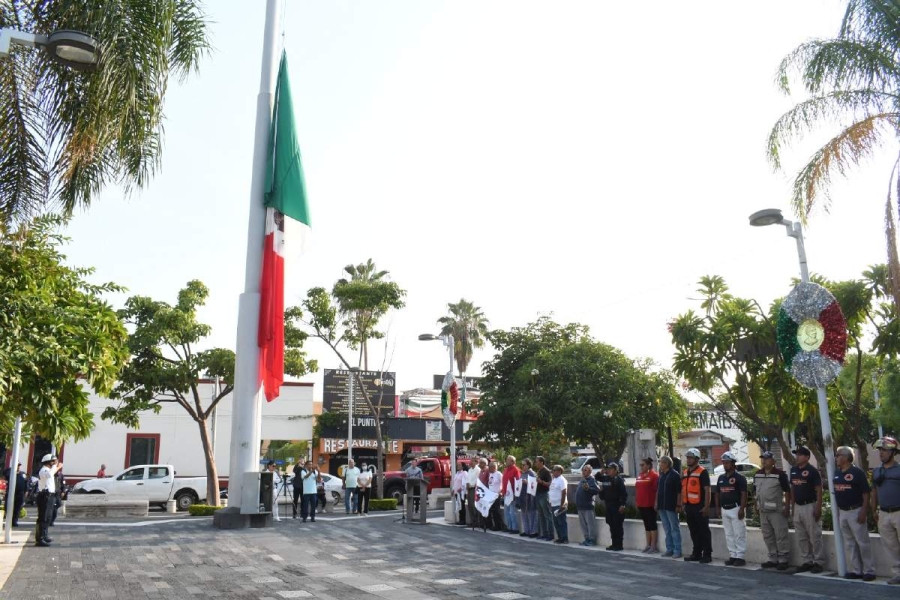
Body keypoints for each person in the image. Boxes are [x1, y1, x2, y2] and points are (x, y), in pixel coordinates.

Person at [833, 446, 875, 581]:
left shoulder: (857, 473)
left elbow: (866, 493)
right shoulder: (836, 473)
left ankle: (869, 570)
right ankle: (857, 570)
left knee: (863, 542)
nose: (836, 458)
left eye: (838, 455)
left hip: (855, 511)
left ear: (846, 457)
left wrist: (863, 511)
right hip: (843, 512)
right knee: (850, 543)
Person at [790, 446, 825, 574]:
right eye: (796, 455)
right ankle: (807, 561)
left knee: (814, 535)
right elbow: (793, 488)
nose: (797, 457)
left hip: (810, 505)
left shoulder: (812, 471)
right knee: (801, 536)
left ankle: (818, 562)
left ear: (806, 457)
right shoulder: (793, 470)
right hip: (798, 506)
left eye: (799, 455)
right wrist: (792, 506)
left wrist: (818, 507)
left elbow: (819, 489)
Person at [754, 451, 791, 570]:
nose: (764, 461)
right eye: (763, 458)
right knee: (767, 536)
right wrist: (755, 505)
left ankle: (783, 559)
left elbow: (787, 491)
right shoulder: (758, 474)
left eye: (767, 459)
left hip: (776, 511)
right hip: (763, 511)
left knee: (781, 535)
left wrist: (787, 507)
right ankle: (773, 558)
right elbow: (756, 491)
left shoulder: (780, 474)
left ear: (773, 461)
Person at [873, 436, 900, 584]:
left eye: (884, 450)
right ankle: (898, 574)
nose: (881, 453)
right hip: (883, 513)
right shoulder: (877, 471)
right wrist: (874, 510)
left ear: (893, 452)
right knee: (890, 546)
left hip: (899, 512)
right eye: (880, 450)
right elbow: (874, 492)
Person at [714, 452, 748, 567]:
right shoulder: (721, 477)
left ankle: (740, 556)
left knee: (739, 533)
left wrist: (742, 509)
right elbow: (717, 494)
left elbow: (744, 494)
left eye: (727, 462)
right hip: (725, 509)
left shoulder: (740, 478)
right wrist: (718, 508)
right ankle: (733, 555)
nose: (725, 465)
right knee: (729, 534)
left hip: (736, 508)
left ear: (733, 463)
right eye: (723, 463)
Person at [681, 448, 712, 563]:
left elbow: (707, 490)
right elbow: (683, 489)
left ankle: (707, 554)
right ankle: (697, 553)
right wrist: (683, 504)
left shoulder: (702, 472)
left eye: (691, 458)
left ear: (697, 459)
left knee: (704, 531)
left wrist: (706, 506)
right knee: (693, 531)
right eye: (687, 457)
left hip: (700, 506)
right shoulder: (685, 472)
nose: (688, 460)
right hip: (689, 506)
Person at [655, 456, 682, 558]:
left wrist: (678, 504)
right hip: (662, 505)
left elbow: (679, 491)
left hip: (671, 506)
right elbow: (658, 490)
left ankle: (677, 550)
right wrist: (656, 502)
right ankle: (669, 549)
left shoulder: (675, 475)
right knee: (667, 528)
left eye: (661, 462)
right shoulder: (661, 475)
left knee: (674, 528)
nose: (660, 464)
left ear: (666, 464)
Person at [35, 454, 62, 547]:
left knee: (48, 517)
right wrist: (56, 466)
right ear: (49, 462)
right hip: (44, 496)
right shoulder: (43, 470)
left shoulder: (49, 470)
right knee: (43, 517)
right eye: (53, 461)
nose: (54, 463)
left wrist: (56, 466)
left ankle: (44, 535)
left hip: (50, 496)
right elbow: (49, 475)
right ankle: (40, 538)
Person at [600, 462, 627, 551]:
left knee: (617, 525)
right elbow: (598, 478)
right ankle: (614, 543)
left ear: (616, 470)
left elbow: (624, 494)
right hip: (608, 504)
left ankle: (619, 545)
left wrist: (622, 505)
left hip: (616, 505)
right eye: (608, 469)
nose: (608, 470)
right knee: (611, 525)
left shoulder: (619, 480)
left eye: (611, 469)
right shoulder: (606, 479)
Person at [636, 458, 659, 553]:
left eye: (643, 465)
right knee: (647, 526)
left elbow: (657, 490)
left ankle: (654, 546)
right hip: (641, 504)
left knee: (652, 525)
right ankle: (648, 545)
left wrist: (656, 503)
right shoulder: (640, 476)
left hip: (650, 504)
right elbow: (637, 490)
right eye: (640, 465)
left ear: (648, 465)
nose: (641, 467)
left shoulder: (654, 475)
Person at [575, 464, 599, 546]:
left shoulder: (592, 480)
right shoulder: (582, 480)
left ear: (590, 471)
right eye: (583, 470)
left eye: (585, 470)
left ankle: (592, 540)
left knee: (590, 524)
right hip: (580, 506)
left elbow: (597, 490)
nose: (583, 471)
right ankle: (586, 539)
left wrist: (588, 489)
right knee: (583, 525)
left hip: (588, 506)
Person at [534, 456, 554, 541]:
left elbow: (550, 483)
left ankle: (551, 534)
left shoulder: (546, 471)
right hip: (538, 494)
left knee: (547, 515)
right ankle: (544, 533)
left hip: (544, 494)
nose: (535, 463)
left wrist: (541, 482)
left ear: (542, 462)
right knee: (541, 515)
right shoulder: (539, 471)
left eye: (537, 462)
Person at [549, 465, 568, 544]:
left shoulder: (562, 480)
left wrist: (562, 504)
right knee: (556, 522)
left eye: (554, 470)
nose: (553, 472)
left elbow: (564, 491)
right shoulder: (554, 479)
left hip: (559, 504)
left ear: (559, 471)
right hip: (553, 504)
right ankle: (560, 537)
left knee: (561, 522)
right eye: (553, 470)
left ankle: (564, 538)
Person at [501, 456, 521, 534]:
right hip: (506, 493)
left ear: (513, 462)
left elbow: (518, 483)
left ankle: (515, 528)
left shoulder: (516, 470)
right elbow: (504, 482)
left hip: (512, 494)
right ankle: (509, 527)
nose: (506, 461)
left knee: (512, 512)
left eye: (508, 460)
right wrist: (503, 492)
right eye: (506, 460)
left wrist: (516, 494)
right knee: (506, 512)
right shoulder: (505, 470)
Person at [519, 458, 538, 538]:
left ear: (528, 465)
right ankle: (526, 531)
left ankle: (533, 531)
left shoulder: (532, 473)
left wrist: (527, 482)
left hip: (530, 497)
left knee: (531, 515)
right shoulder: (522, 474)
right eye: (522, 465)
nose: (523, 466)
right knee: (524, 515)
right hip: (523, 496)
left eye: (524, 465)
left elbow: (534, 485)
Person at [3, 463, 26, 527]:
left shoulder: (22, 474)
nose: (18, 467)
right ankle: (8, 521)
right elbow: (6, 475)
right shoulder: (9, 472)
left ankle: (14, 521)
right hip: (11, 492)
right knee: (9, 507)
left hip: (20, 493)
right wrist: (13, 471)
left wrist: (26, 491)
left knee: (17, 508)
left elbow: (26, 482)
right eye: (17, 466)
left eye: (19, 466)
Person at [487, 461, 504, 531]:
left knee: (496, 511)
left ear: (493, 467)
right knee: (491, 511)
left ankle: (499, 526)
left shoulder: (498, 474)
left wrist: (501, 491)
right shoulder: (490, 474)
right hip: (490, 495)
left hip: (496, 495)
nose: (488, 468)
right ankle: (494, 525)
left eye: (490, 467)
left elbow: (503, 483)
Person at [466, 457, 483, 527]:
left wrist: (472, 485)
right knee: (470, 505)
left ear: (476, 462)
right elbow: (468, 479)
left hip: (474, 488)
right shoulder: (469, 470)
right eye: (471, 461)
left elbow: (477, 480)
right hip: (469, 489)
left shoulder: (478, 470)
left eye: (472, 461)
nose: (471, 462)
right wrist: (467, 484)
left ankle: (477, 521)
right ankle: (473, 521)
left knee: (474, 506)